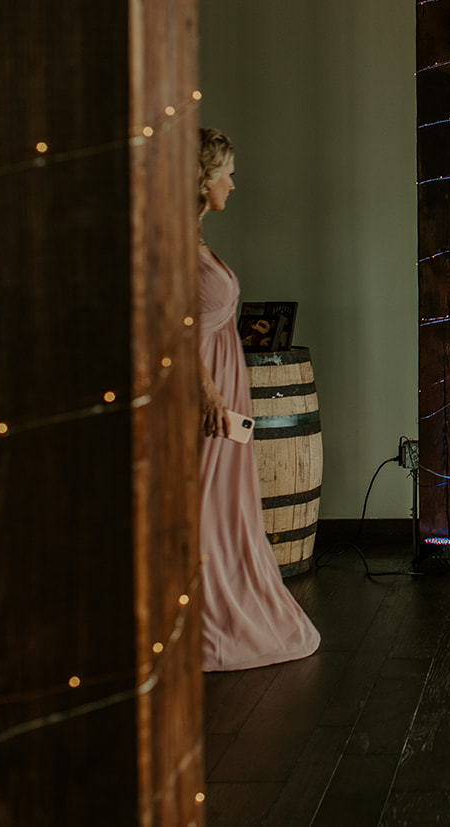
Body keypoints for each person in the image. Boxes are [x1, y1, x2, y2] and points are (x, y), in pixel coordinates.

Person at [196, 128, 320, 671]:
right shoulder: (172, 244)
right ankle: (200, 617)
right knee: (201, 507)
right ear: (202, 182)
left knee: (221, 506)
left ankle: (217, 603)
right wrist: (207, 395)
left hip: (223, 385)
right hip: (202, 400)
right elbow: (170, 330)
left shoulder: (194, 237)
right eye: (226, 173)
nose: (233, 183)